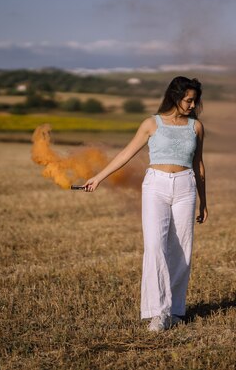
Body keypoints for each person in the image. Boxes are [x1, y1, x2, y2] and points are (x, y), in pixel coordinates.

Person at [83, 76, 208, 332]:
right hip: (156, 186)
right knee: (154, 247)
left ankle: (174, 311)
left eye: (195, 101)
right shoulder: (151, 124)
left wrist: (204, 201)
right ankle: (157, 313)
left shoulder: (196, 127)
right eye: (189, 100)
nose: (193, 105)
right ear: (175, 97)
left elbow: (198, 165)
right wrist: (98, 178)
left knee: (182, 250)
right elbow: (125, 153)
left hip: (186, 187)